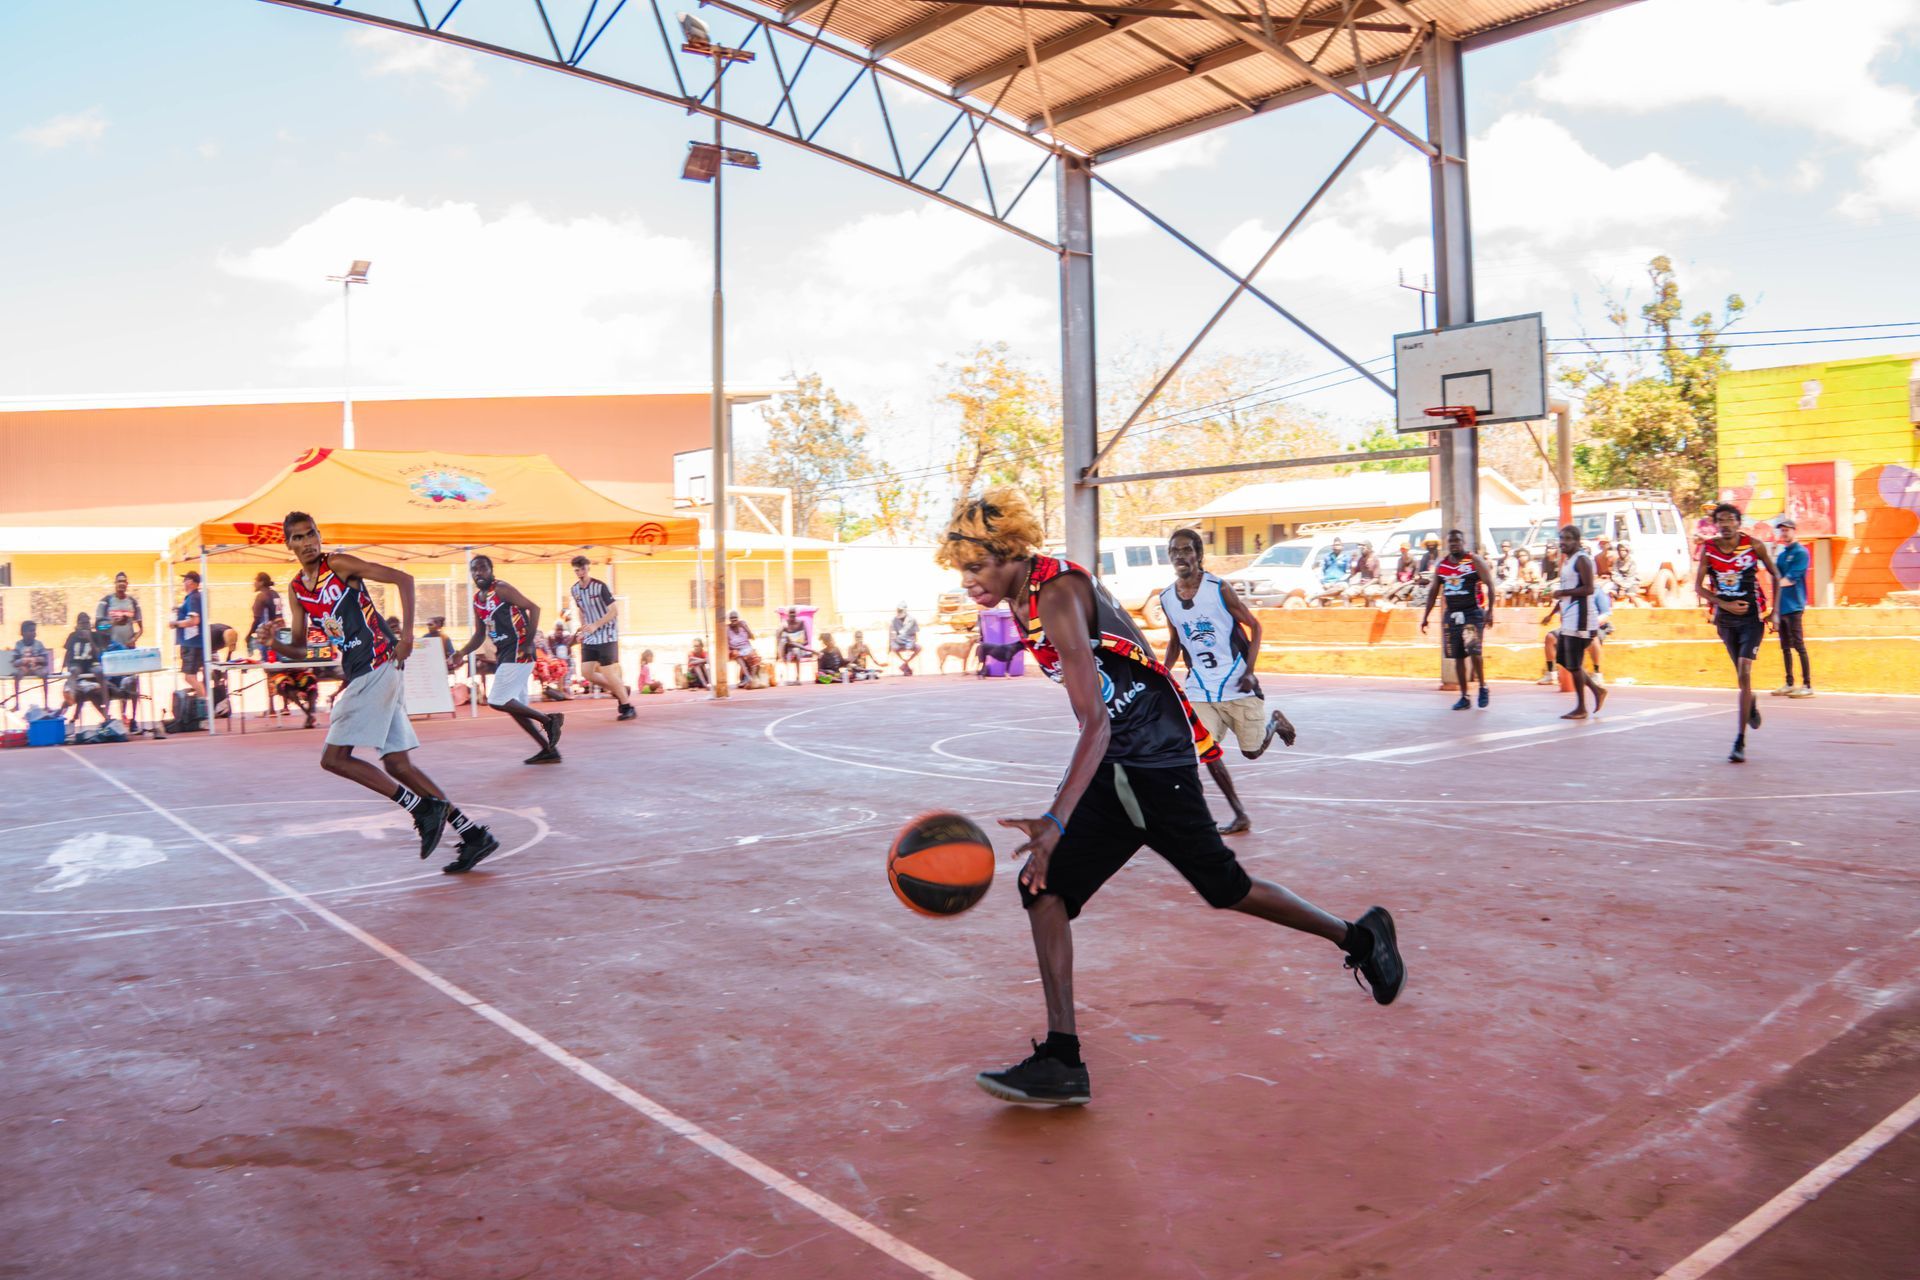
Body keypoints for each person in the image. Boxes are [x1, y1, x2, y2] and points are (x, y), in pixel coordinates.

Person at [937, 489, 1404, 1107]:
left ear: (1008, 553)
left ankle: (1361, 937)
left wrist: (1056, 816)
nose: (967, 581)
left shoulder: (1054, 596)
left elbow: (1096, 722)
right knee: (1043, 889)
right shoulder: (1031, 593)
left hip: (1152, 761)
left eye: (976, 566)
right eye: (961, 568)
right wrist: (1060, 814)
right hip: (1122, 761)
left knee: (1224, 889)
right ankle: (1061, 1059)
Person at [276, 510, 498, 872]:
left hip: (376, 666)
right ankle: (473, 835)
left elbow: (403, 579)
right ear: (288, 544)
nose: (307, 542)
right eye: (298, 537)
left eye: (311, 534)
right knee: (397, 764)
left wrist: (407, 636)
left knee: (334, 759)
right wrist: (278, 643)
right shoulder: (298, 589)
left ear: (319, 535)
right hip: (369, 672)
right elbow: (300, 647)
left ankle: (421, 808)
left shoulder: (340, 565)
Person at [1158, 528, 1295, 835]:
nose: (1180, 556)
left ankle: (1275, 722)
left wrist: (1249, 671)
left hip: (1235, 681)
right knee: (1205, 750)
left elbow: (1255, 627)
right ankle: (1237, 813)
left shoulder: (1219, 589)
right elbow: (1175, 642)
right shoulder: (1167, 598)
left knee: (1252, 751)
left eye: (1187, 550)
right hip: (1200, 686)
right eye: (1175, 551)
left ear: (1198, 555)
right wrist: (1162, 673)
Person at [449, 555, 562, 764]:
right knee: (509, 704)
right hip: (504, 652)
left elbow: (534, 608)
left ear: (491, 569)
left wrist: (529, 642)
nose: (478, 573)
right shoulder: (477, 600)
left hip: (519, 648)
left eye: (482, 568)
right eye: (474, 569)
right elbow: (479, 635)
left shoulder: (501, 589)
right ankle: (548, 749)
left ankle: (549, 720)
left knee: (497, 700)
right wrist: (461, 652)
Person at [1695, 502, 1781, 763]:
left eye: (1730, 519)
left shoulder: (1753, 545)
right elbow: (1698, 588)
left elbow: (1776, 576)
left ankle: (1739, 741)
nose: (1725, 524)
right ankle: (1750, 699)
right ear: (1715, 524)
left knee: (1745, 671)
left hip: (1752, 619)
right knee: (1742, 678)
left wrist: (1775, 613)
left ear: (1738, 521)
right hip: (1725, 621)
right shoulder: (1708, 551)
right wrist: (1724, 604)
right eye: (1720, 520)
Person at [1420, 529, 1497, 710]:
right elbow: (1433, 592)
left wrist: (1490, 611)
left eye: (1458, 541)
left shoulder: (1473, 561)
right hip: (1452, 615)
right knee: (1458, 656)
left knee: (1474, 650)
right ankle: (1464, 696)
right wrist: (1425, 616)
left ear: (1463, 543)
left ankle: (1483, 686)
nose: (1455, 544)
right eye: (1451, 541)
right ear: (1448, 544)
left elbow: (1490, 585)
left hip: (1472, 613)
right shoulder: (1442, 565)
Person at [1549, 524, 1607, 721]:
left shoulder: (1582, 559)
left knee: (1574, 663)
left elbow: (1589, 588)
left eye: (1567, 539)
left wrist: (1562, 593)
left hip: (1582, 620)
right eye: (1561, 538)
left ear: (1576, 540)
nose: (1562, 543)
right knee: (1567, 661)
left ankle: (1581, 707)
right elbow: (1567, 591)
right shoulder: (1568, 561)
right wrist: (1552, 612)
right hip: (1569, 619)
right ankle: (1596, 690)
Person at [569, 555, 634, 720]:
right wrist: (583, 629)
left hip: (606, 633)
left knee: (608, 671)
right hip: (590, 635)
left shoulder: (600, 587)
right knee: (587, 672)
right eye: (577, 570)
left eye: (582, 569)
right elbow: (581, 610)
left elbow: (614, 611)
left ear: (588, 568)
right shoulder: (575, 589)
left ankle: (627, 707)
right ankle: (619, 689)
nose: (580, 573)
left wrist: (596, 625)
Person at [1772, 517, 1813, 698]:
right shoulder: (1781, 555)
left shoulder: (1801, 553)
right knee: (1785, 647)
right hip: (1782, 608)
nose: (1784, 533)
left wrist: (1778, 581)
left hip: (1795, 606)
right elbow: (1774, 574)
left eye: (1787, 530)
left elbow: (1789, 579)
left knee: (1799, 646)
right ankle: (1789, 683)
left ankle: (1807, 685)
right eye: (1782, 530)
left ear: (1794, 531)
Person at [61, 614, 108, 722]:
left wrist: (90, 639)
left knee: (100, 672)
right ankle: (70, 694)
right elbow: (68, 652)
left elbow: (98, 654)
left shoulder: (95, 635)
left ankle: (106, 702)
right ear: (77, 624)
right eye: (82, 623)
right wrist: (64, 665)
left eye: (87, 623)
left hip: (91, 663)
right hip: (76, 662)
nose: (85, 625)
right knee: (74, 671)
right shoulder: (72, 636)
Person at [174, 570, 207, 700]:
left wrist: (176, 623)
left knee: (190, 677)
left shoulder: (194, 598)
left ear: (192, 583)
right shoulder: (191, 598)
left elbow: (194, 621)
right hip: (190, 643)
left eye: (186, 579)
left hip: (193, 643)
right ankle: (202, 702)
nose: (183, 582)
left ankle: (203, 705)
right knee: (190, 676)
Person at [96, 573, 144, 648]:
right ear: (115, 583)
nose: (121, 583)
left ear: (127, 584)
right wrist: (114, 623)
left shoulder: (133, 602)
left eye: (124, 581)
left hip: (129, 648)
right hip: (111, 648)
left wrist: (134, 639)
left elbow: (141, 629)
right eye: (119, 581)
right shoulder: (105, 601)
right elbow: (99, 628)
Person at [250, 573, 283, 661]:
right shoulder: (275, 594)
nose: (254, 583)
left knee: (267, 661)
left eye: (255, 580)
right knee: (278, 660)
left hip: (266, 633)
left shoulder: (261, 596)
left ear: (261, 582)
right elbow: (279, 615)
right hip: (279, 633)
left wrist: (249, 635)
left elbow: (257, 619)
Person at [778, 608, 815, 684]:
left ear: (796, 614)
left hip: (799, 646)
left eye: (793, 613)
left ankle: (797, 678)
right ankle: (787, 677)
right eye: (790, 613)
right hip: (787, 647)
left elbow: (804, 639)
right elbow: (780, 637)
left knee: (796, 651)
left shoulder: (801, 623)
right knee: (784, 643)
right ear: (788, 615)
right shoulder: (785, 624)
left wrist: (798, 642)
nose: (792, 615)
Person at [726, 611, 762, 685]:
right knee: (736, 654)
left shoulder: (743, 625)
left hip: (746, 647)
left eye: (735, 617)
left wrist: (745, 627)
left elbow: (752, 637)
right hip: (735, 649)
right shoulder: (727, 628)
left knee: (755, 658)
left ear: (738, 618)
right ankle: (748, 677)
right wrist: (730, 649)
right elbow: (726, 642)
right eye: (731, 618)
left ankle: (751, 679)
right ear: (729, 619)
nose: (734, 619)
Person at [889, 604, 922, 675]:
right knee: (894, 648)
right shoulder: (894, 621)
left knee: (919, 648)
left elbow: (914, 634)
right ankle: (905, 664)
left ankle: (905, 664)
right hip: (898, 643)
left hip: (909, 642)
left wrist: (911, 642)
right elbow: (892, 636)